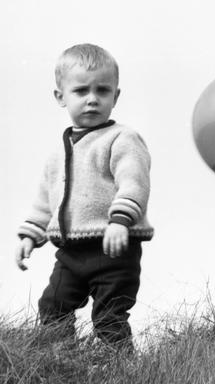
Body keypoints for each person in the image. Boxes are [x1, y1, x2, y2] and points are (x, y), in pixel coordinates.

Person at [14, 43, 153, 351]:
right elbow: (46, 202)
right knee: (52, 306)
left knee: (109, 317)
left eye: (103, 91)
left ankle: (122, 368)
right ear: (60, 96)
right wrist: (30, 235)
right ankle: (62, 361)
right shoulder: (58, 153)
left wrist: (120, 221)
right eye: (81, 91)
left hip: (113, 247)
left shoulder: (122, 139)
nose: (92, 99)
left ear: (116, 96)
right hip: (71, 253)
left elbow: (134, 182)